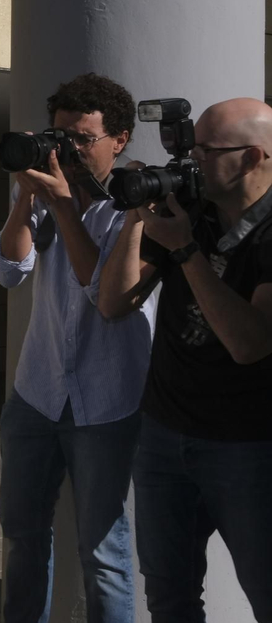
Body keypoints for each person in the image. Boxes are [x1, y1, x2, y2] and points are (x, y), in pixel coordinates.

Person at [0, 73, 157, 623]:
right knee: (21, 538)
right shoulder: (49, 190)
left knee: (103, 554)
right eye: (60, 135)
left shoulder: (136, 205)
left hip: (107, 402)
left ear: (120, 138)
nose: (69, 149)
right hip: (37, 393)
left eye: (83, 138)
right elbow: (9, 270)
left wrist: (63, 206)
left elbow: (102, 291)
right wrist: (25, 198)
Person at [98, 97, 272, 622]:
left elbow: (250, 343)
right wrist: (136, 220)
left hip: (249, 447)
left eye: (206, 150)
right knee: (169, 596)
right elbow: (113, 303)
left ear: (252, 157)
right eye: (190, 147)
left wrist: (187, 252)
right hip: (164, 436)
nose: (190, 162)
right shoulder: (190, 214)